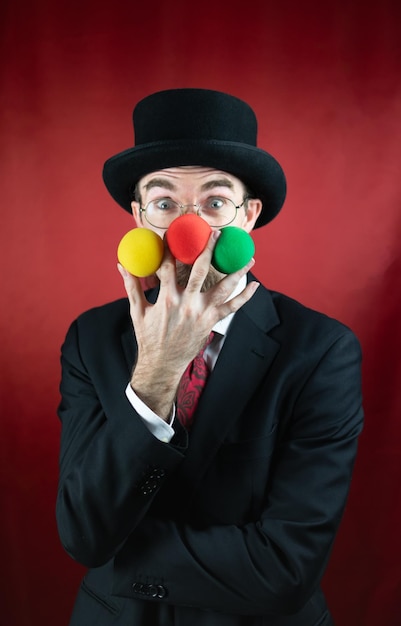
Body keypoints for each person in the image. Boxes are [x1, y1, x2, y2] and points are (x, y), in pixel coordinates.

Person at [56, 88, 364, 626]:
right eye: (165, 202)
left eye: (215, 202)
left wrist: (120, 553)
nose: (188, 231)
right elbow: (84, 532)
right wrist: (157, 372)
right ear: (138, 216)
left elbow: (285, 570)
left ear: (248, 216)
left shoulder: (321, 351)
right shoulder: (91, 339)